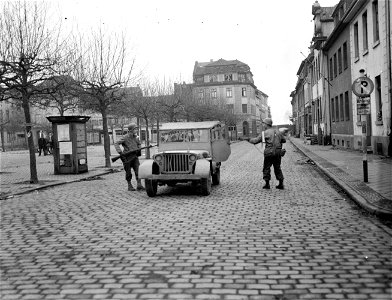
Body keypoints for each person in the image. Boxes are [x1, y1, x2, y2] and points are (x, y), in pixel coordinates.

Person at [243, 118, 286, 189]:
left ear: (266, 124)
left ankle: (267, 184)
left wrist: (248, 139)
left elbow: (255, 141)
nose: (263, 125)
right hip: (278, 153)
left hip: (269, 152)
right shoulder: (278, 132)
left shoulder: (264, 133)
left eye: (263, 123)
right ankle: (281, 184)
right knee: (277, 167)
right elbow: (284, 140)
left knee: (266, 168)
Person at [114, 123, 145, 191]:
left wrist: (139, 148)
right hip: (127, 157)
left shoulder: (136, 137)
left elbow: (139, 144)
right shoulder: (125, 137)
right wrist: (120, 152)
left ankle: (139, 185)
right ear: (131, 130)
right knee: (128, 172)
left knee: (138, 171)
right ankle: (129, 185)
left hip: (135, 156)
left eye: (136, 128)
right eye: (135, 129)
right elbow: (116, 143)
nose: (136, 130)